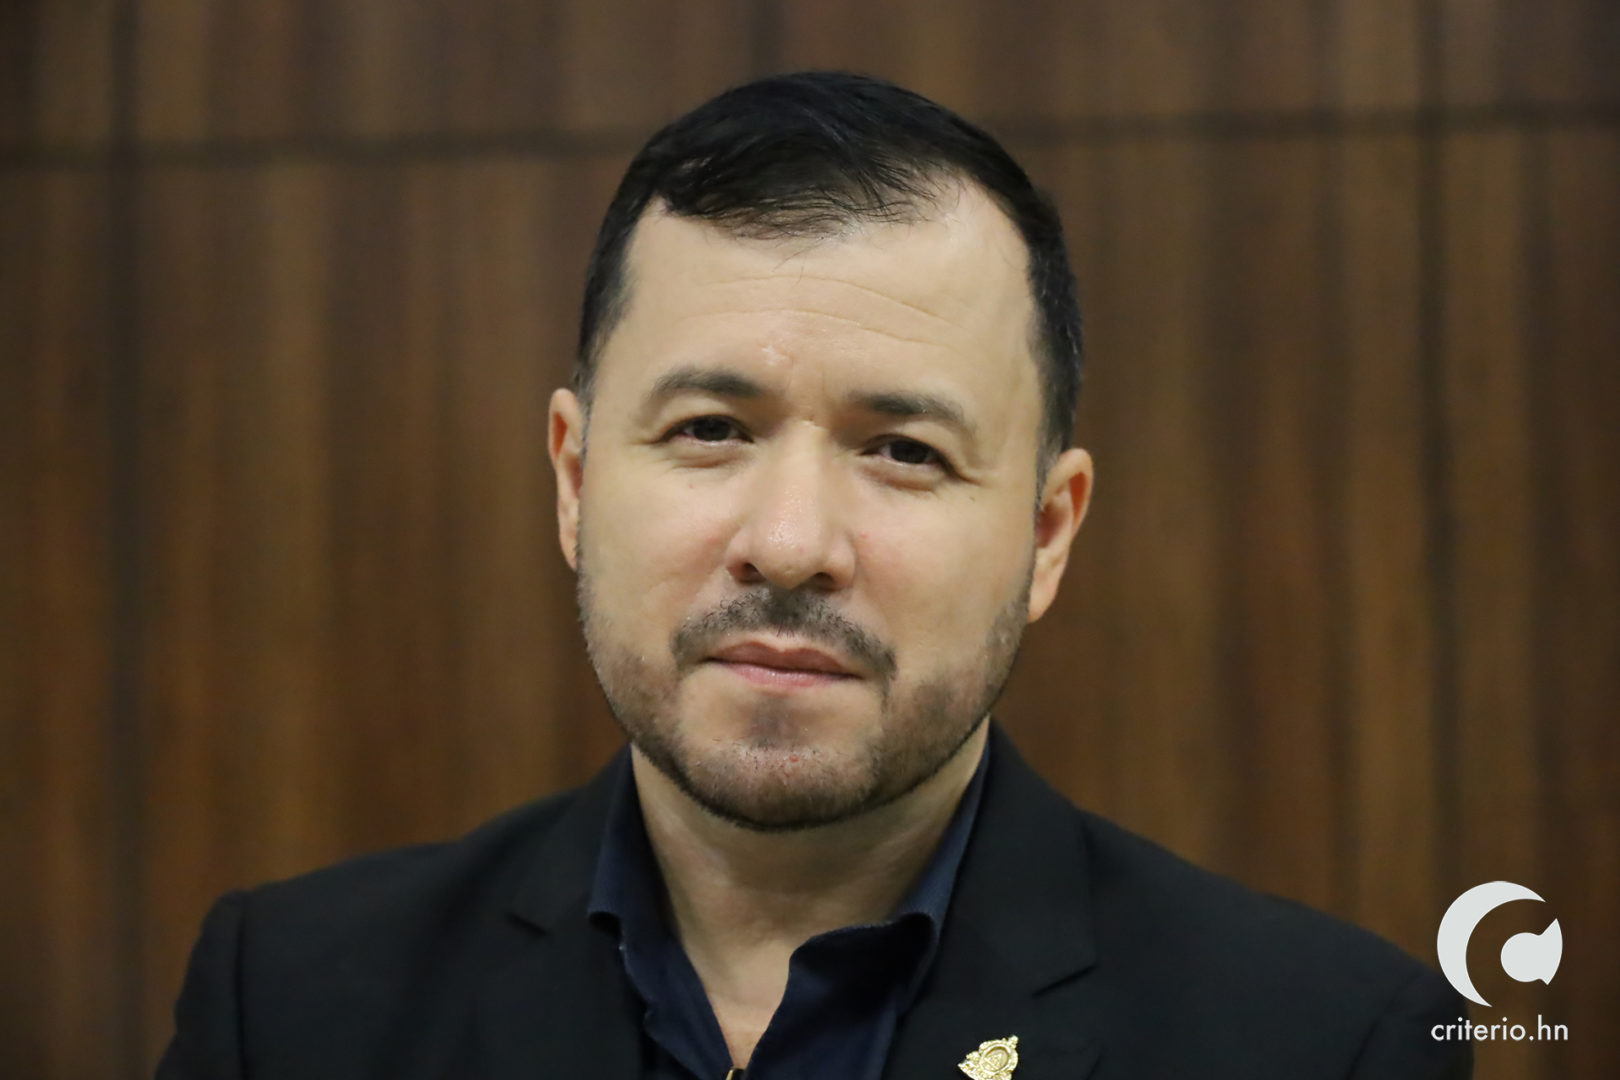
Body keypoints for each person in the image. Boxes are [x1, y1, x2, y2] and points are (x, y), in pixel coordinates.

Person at [157, 71, 1470, 1079]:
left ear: (1047, 534)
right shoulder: (293, 1008)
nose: (789, 544)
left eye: (903, 451)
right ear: (574, 479)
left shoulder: (1326, 1044)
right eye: (710, 430)